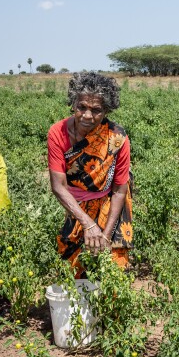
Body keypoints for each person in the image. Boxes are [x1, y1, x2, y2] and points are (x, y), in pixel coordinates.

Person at [47, 71, 133, 277]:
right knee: (73, 266)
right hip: (76, 205)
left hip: (110, 203)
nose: (87, 115)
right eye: (82, 107)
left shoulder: (117, 138)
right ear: (73, 104)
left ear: (106, 111)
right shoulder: (57, 133)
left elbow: (120, 190)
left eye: (96, 110)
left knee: (113, 268)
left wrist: (105, 234)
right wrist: (87, 223)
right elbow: (58, 186)